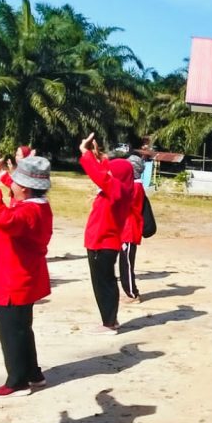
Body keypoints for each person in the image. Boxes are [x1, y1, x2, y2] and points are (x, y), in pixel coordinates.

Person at [0, 155, 54, 397]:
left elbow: (4, 219)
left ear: (24, 187)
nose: (10, 184)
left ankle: (17, 381)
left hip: (13, 280)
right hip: (21, 277)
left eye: (14, 181)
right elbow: (9, 211)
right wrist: (1, 176)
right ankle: (33, 373)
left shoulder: (28, 212)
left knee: (11, 332)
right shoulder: (36, 206)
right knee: (22, 329)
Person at [79, 133, 133, 334]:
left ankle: (109, 323)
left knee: (104, 284)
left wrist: (85, 153)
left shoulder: (117, 190)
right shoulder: (119, 189)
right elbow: (104, 173)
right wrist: (97, 156)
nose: (108, 173)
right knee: (105, 282)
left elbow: (101, 176)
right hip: (102, 243)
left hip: (102, 244)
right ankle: (110, 320)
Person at [118, 154, 146, 303]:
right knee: (125, 262)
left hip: (129, 230)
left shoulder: (135, 187)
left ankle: (132, 294)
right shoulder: (135, 185)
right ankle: (129, 291)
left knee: (127, 264)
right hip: (126, 229)